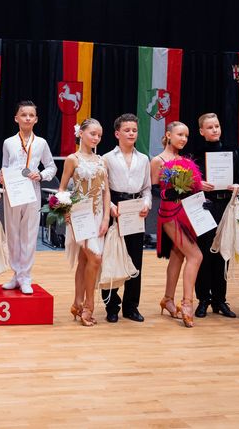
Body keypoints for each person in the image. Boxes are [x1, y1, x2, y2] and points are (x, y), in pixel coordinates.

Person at [0, 101, 56, 295]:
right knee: (12, 233)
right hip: (13, 191)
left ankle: (26, 277)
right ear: (16, 118)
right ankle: (16, 275)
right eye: (24, 115)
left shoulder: (41, 143)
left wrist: (41, 175)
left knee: (29, 234)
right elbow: (5, 166)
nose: (28, 118)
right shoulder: (8, 142)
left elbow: (51, 167)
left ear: (36, 119)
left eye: (31, 115)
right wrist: (1, 177)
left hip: (32, 190)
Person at [150, 121, 203, 328]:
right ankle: (187, 304)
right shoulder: (158, 160)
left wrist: (200, 191)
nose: (184, 139)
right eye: (180, 134)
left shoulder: (185, 161)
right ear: (168, 135)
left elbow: (192, 188)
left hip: (186, 213)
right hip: (169, 214)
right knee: (195, 256)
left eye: (186, 136)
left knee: (178, 255)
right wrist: (168, 193)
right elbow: (154, 189)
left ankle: (168, 299)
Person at [58, 118, 110, 327]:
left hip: (98, 215)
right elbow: (62, 188)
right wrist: (65, 209)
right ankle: (89, 306)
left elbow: (106, 191)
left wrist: (106, 217)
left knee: (85, 260)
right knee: (95, 258)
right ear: (81, 133)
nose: (96, 138)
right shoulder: (73, 159)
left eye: (99, 135)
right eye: (92, 134)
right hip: (80, 216)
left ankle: (77, 303)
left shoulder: (102, 161)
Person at [102, 113, 151, 323]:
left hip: (135, 209)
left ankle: (131, 307)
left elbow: (147, 188)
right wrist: (111, 207)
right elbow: (103, 189)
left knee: (135, 259)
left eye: (134, 130)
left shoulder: (144, 159)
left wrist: (147, 204)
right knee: (112, 257)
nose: (131, 133)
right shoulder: (107, 158)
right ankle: (111, 306)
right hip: (115, 207)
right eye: (127, 130)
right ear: (117, 133)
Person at [191, 113, 239, 319]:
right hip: (204, 206)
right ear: (202, 131)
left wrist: (237, 185)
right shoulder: (196, 154)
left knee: (222, 253)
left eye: (217, 126)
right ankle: (203, 299)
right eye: (210, 127)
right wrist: (198, 184)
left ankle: (220, 300)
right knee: (204, 253)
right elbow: (189, 182)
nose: (215, 130)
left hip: (225, 206)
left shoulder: (231, 151)